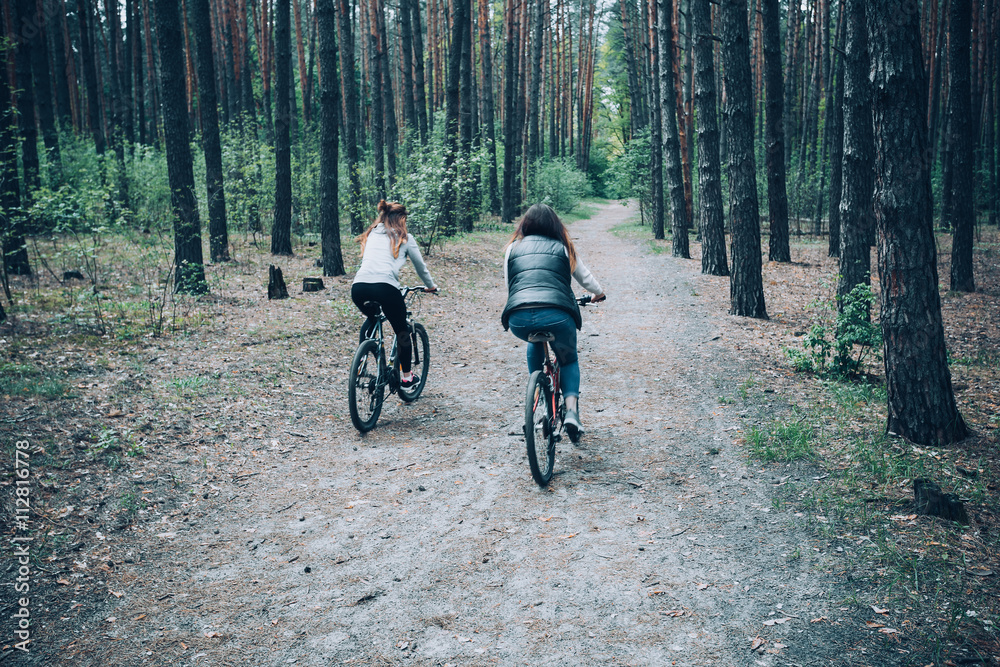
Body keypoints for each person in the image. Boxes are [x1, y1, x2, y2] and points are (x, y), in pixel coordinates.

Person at [501, 203, 605, 439]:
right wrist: (598, 294)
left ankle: (536, 394)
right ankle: (570, 412)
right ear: (554, 224)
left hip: (519, 316)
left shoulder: (512, 250)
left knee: (533, 339)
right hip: (557, 314)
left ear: (524, 224)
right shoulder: (563, 247)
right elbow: (587, 279)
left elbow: (511, 286)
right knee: (568, 360)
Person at [352, 200, 437, 389]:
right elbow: (421, 268)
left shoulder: (372, 233)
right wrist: (430, 286)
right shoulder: (405, 238)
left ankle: (361, 364)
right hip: (385, 288)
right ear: (402, 218)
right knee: (401, 330)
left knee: (372, 318)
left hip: (358, 287)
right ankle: (407, 378)